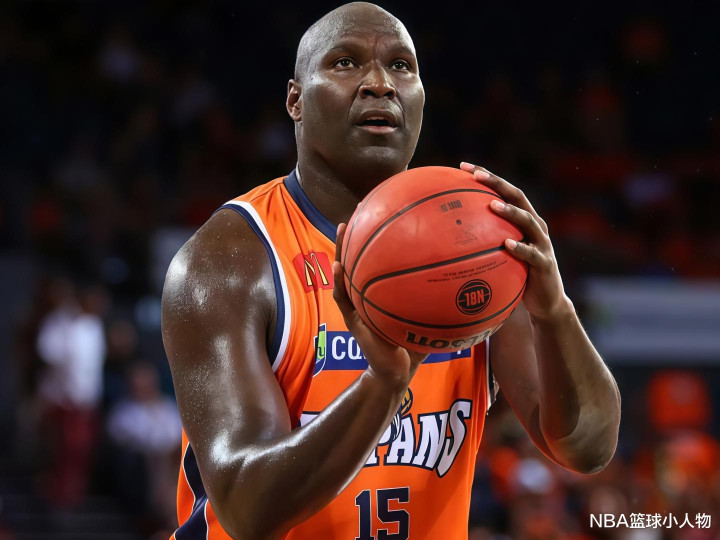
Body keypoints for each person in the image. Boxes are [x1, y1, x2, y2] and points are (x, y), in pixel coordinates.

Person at [161, 3, 621, 539]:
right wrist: (383, 386)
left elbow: (587, 448)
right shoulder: (230, 259)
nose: (379, 83)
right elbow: (247, 509)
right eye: (345, 62)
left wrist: (554, 312)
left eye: (401, 65)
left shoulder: (477, 246)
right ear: (295, 100)